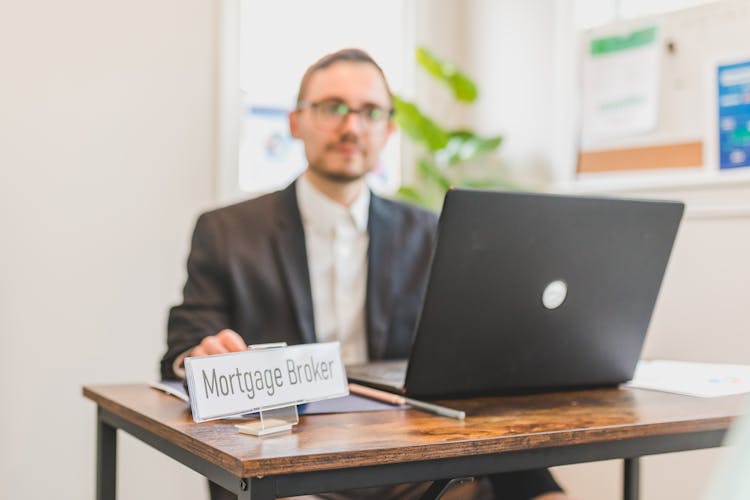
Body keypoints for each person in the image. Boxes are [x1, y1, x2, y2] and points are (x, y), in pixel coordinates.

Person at [162, 48, 570, 500]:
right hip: (283, 463)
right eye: (332, 107)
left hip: (406, 456)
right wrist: (203, 354)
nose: (351, 127)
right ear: (296, 122)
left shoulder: (428, 231)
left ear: (389, 129)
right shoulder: (227, 231)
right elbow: (181, 346)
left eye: (370, 111)